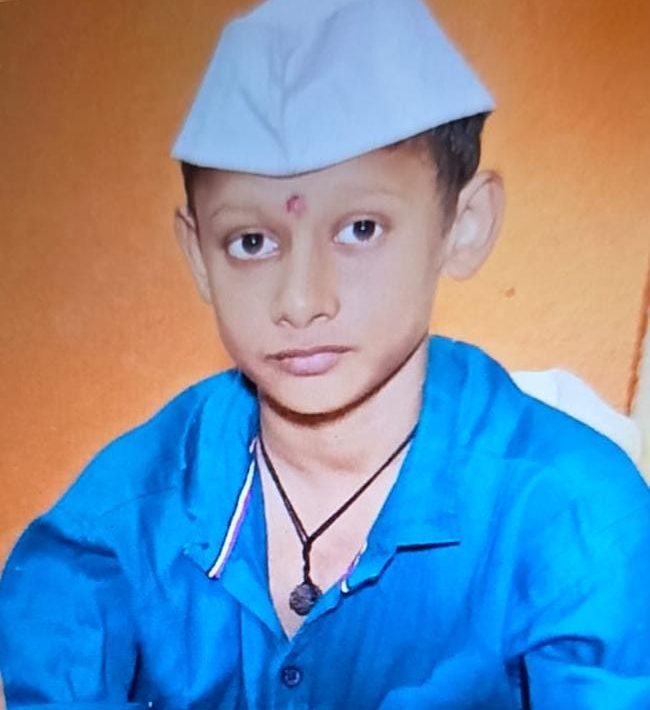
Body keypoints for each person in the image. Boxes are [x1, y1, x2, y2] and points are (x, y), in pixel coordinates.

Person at [2, 0, 650, 707]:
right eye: (252, 242)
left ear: (463, 225)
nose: (301, 300)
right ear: (197, 255)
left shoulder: (580, 524)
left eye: (361, 228)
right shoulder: (113, 526)